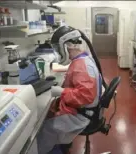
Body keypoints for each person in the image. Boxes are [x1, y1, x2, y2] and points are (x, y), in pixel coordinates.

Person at [37, 26, 102, 154]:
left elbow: (85, 96)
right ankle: (59, 146)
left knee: (45, 128)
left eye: (58, 48)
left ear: (68, 46)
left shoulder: (81, 65)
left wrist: (61, 92)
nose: (58, 52)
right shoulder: (83, 59)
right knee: (48, 113)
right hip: (85, 110)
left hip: (82, 115)